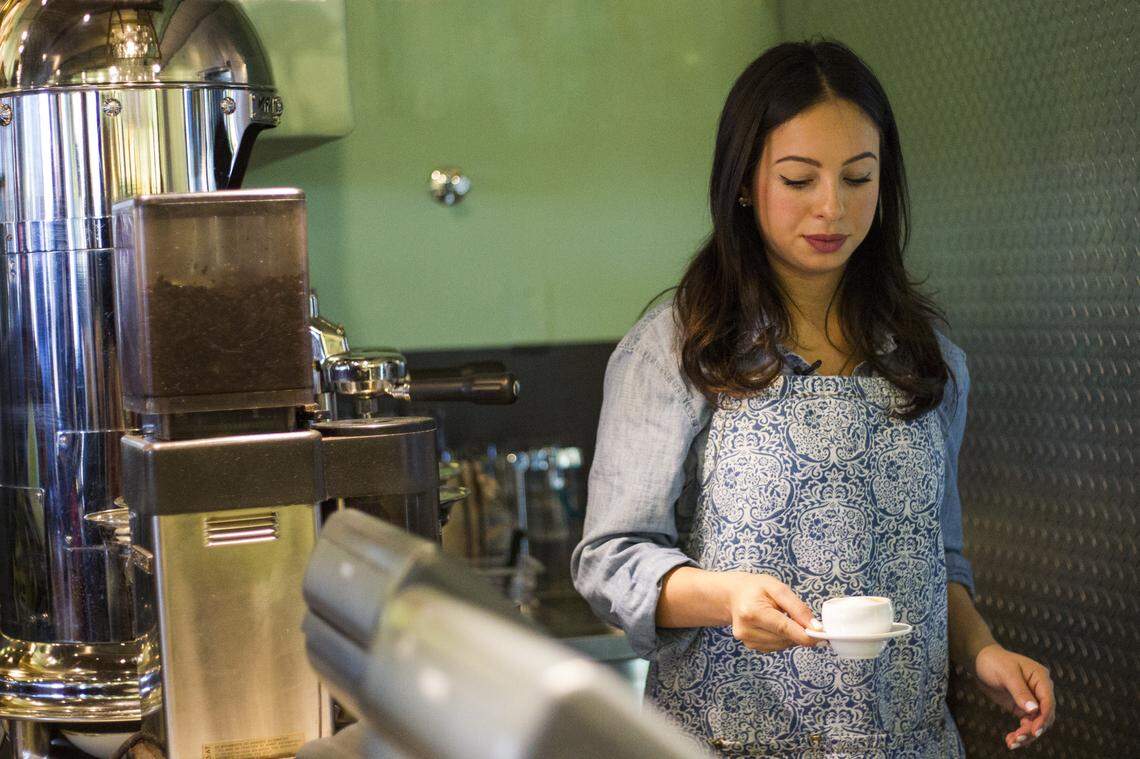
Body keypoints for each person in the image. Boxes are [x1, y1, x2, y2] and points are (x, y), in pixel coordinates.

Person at [571, 39, 1056, 757]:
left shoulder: (929, 359)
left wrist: (981, 648)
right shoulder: (678, 346)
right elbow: (610, 557)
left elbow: (936, 560)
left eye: (859, 178)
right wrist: (724, 597)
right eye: (799, 179)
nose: (832, 208)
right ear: (743, 181)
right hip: (727, 739)